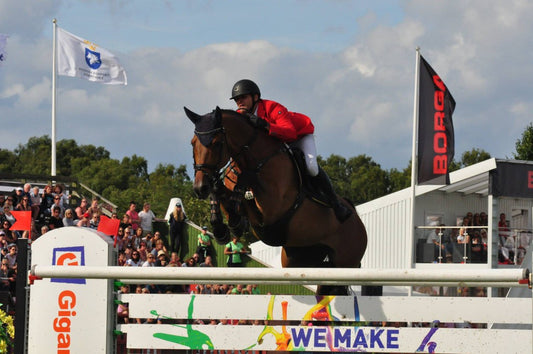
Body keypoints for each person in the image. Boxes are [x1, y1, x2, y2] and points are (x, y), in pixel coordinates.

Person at [230, 79, 351, 222]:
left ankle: (336, 205)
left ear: (255, 97)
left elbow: (290, 133)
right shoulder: (240, 116)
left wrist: (265, 125)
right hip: (276, 142)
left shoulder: (272, 107)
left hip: (299, 135)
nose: (240, 102)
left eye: (243, 97)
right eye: (237, 99)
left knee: (311, 167)